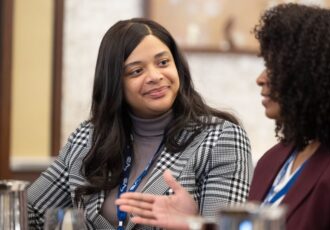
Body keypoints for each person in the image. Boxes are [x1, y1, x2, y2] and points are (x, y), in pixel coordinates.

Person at [116, 3, 330, 230]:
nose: (261, 79)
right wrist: (196, 223)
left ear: (317, 75)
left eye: (275, 68)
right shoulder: (274, 159)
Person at [27, 18, 253, 230]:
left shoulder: (221, 138)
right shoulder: (88, 137)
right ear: (115, 83)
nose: (155, 76)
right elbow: (31, 212)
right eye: (136, 71)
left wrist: (194, 224)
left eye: (163, 62)